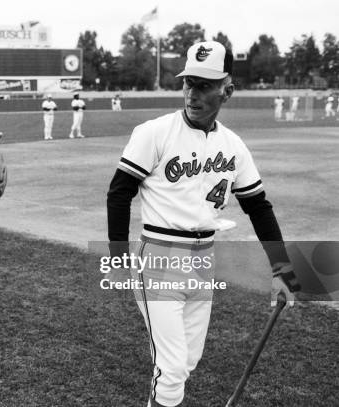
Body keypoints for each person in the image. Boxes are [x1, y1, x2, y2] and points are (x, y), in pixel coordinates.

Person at [106, 41, 299, 407]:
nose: (192, 94)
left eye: (204, 85)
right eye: (188, 83)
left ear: (227, 90)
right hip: (159, 259)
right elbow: (119, 193)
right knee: (173, 367)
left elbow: (258, 206)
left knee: (185, 362)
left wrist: (282, 268)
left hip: (204, 260)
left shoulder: (234, 146)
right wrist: (117, 256)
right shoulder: (154, 132)